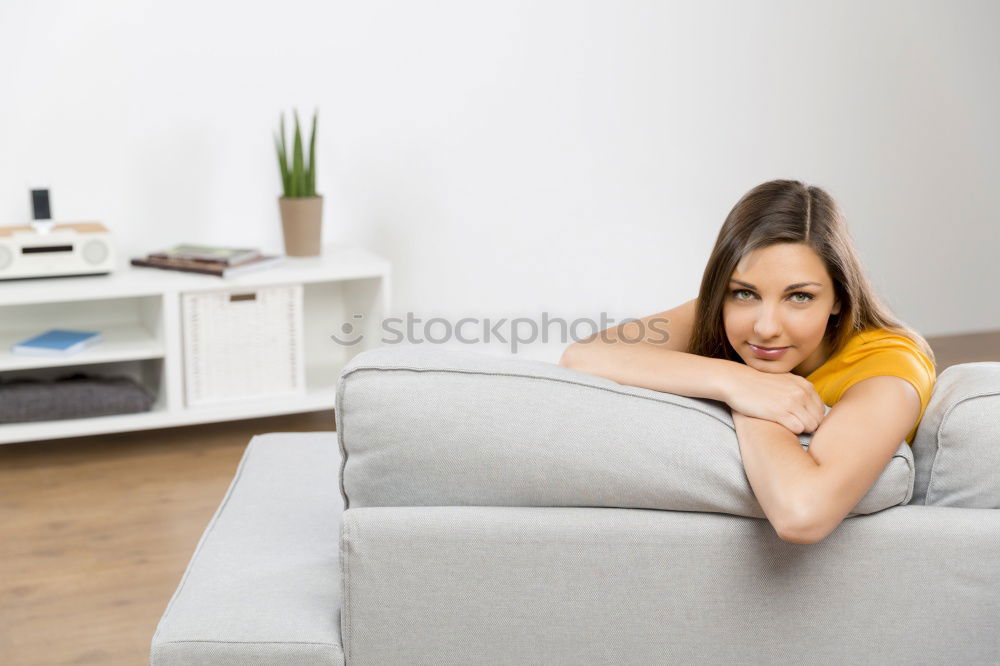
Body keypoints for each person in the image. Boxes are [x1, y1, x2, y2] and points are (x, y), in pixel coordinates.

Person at [559, 179, 936, 545]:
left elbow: (802, 515)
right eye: (744, 293)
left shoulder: (890, 367)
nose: (766, 327)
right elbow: (583, 355)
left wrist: (756, 398)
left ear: (839, 297)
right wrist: (737, 381)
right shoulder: (721, 316)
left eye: (800, 297)